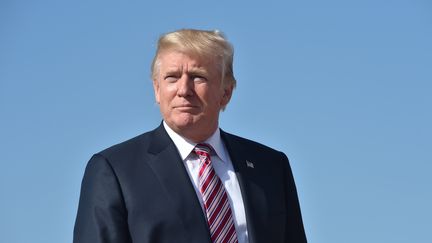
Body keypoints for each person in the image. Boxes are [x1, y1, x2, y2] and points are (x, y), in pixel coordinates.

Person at [73, 29, 307, 243]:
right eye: (172, 77)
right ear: (157, 89)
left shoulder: (271, 166)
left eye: (198, 77)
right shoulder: (114, 170)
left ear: (226, 93)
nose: (184, 90)